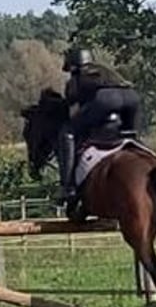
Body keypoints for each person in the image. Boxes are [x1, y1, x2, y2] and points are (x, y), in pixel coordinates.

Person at [56, 46, 144, 209]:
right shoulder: (104, 70)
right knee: (130, 136)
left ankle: (68, 187)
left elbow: (73, 110)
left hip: (106, 99)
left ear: (73, 66)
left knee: (67, 132)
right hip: (132, 98)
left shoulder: (76, 79)